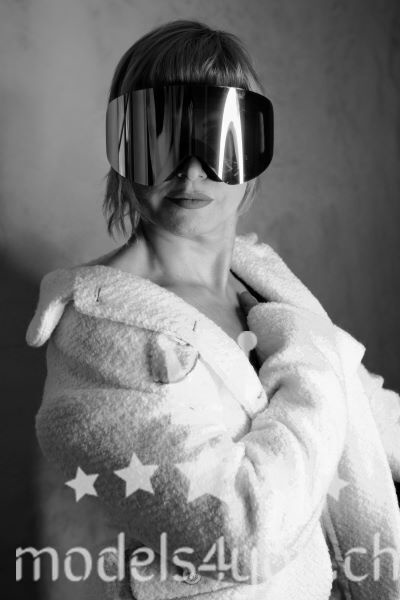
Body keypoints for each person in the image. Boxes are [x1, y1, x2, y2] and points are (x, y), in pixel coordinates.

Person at [26, 20, 400, 600]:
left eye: (215, 137)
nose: (192, 168)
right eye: (161, 136)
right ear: (124, 146)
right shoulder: (98, 330)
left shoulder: (258, 278)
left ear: (252, 149)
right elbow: (244, 533)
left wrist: (319, 359)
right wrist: (309, 357)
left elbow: (360, 406)